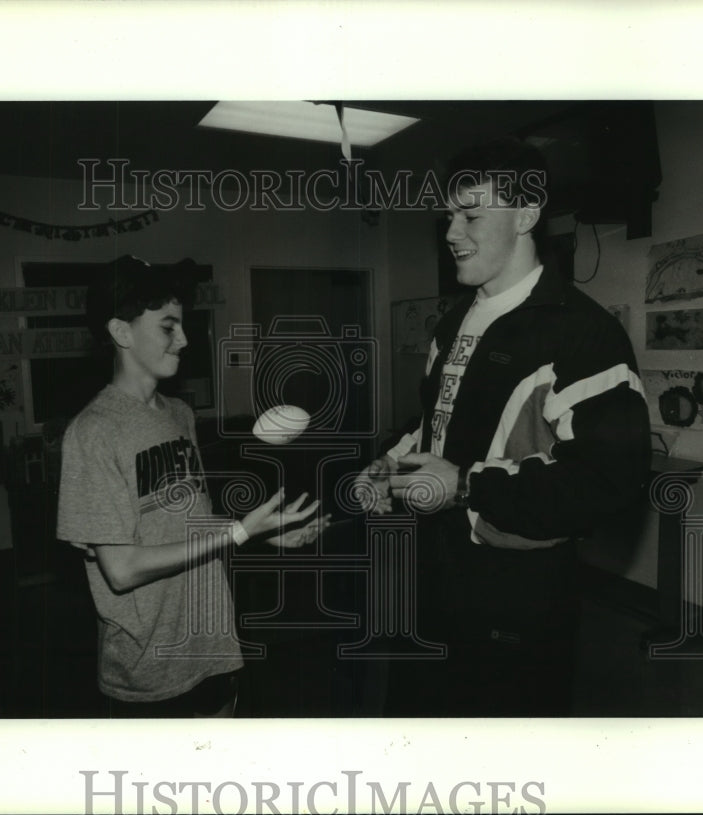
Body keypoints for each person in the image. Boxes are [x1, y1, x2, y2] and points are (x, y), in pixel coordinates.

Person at [357, 138, 652, 716]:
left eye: (471, 215)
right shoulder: (452, 322)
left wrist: (467, 485)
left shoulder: (583, 334)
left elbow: (610, 481)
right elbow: (434, 423)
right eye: (449, 216)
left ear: (525, 214)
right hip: (431, 575)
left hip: (516, 595)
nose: (451, 233)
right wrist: (392, 461)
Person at [57, 255, 324, 717]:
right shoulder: (93, 432)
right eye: (167, 327)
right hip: (150, 671)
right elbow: (119, 569)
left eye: (182, 326)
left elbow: (188, 527)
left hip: (214, 649)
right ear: (122, 333)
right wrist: (236, 532)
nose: (184, 339)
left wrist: (259, 534)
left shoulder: (179, 415)